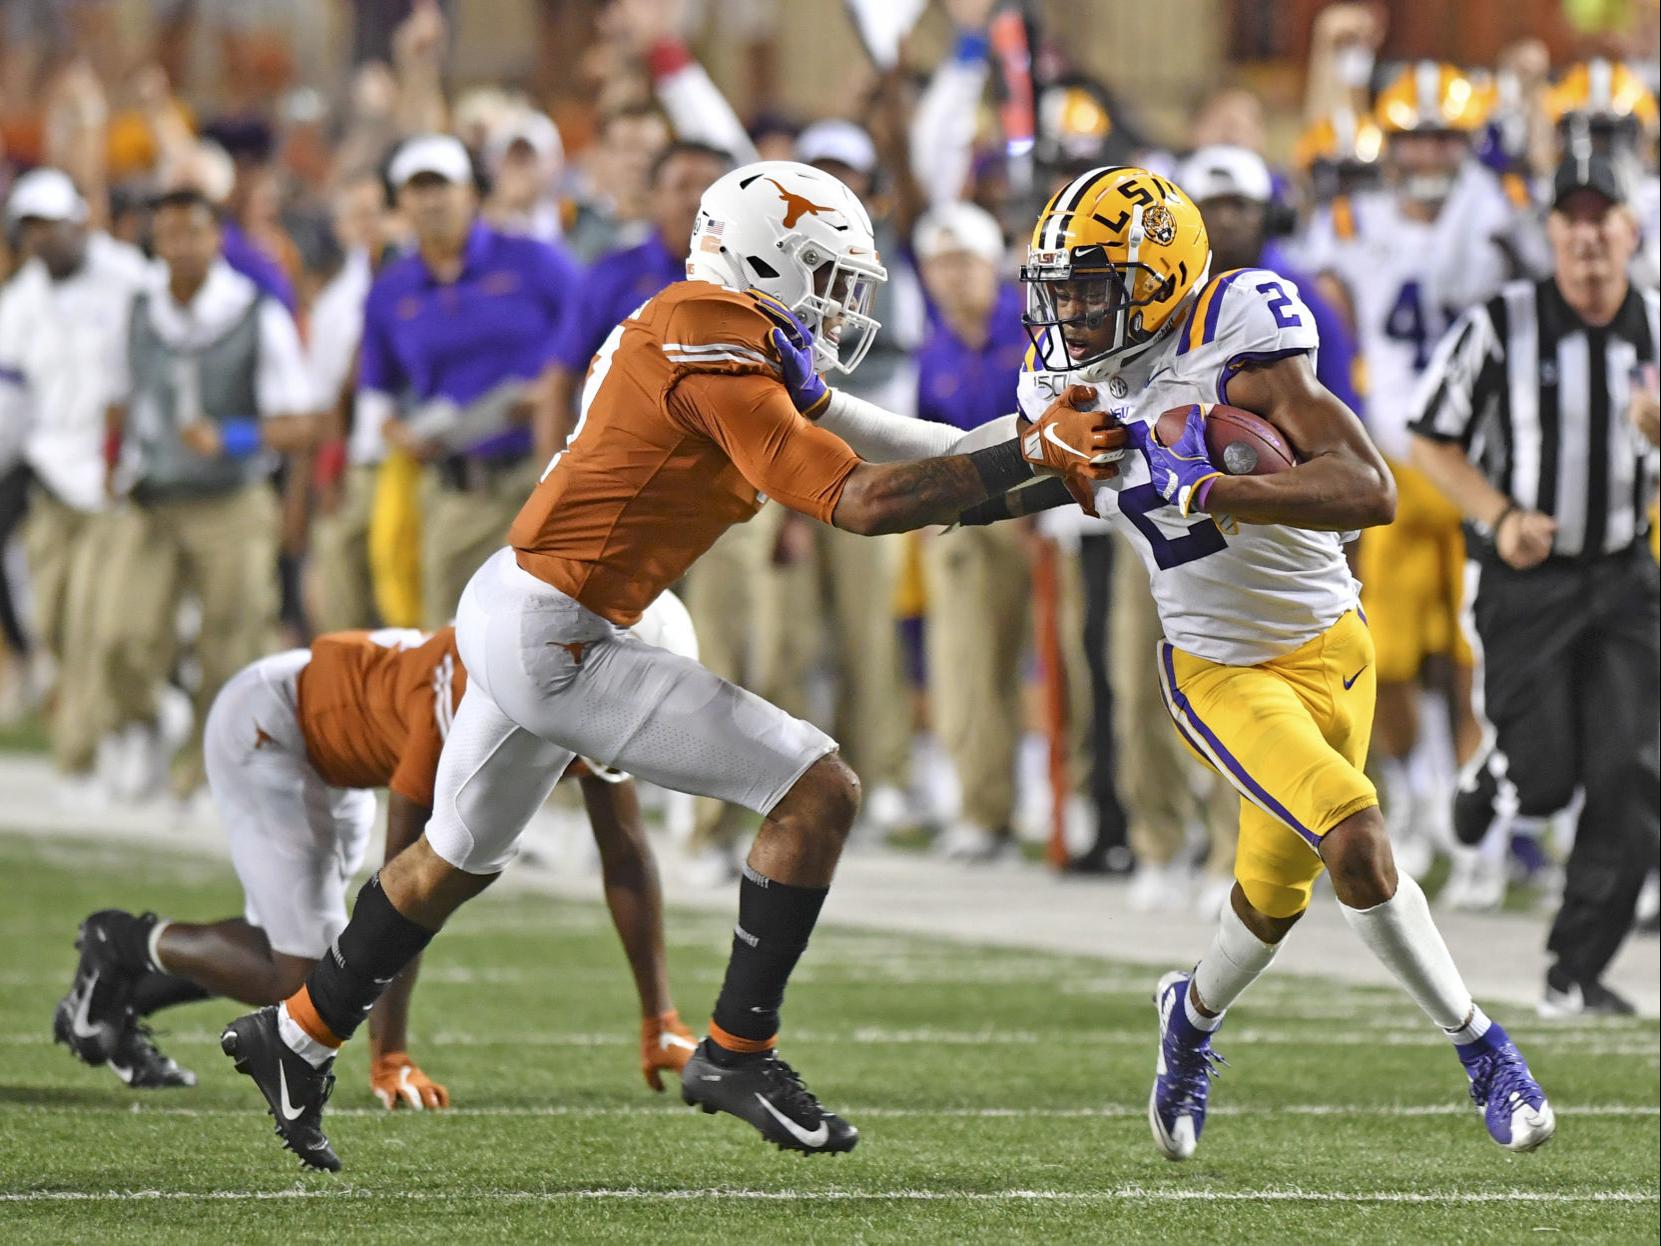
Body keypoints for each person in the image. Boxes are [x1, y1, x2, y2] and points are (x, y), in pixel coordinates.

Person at [216, 159, 1118, 1170]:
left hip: (527, 603)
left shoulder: (720, 325)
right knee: (817, 790)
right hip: (562, 633)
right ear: (762, 258)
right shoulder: (712, 340)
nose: (835, 302)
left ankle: (291, 1033)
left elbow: (915, 446)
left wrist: (1057, 463)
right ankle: (737, 1050)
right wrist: (1036, 454)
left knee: (450, 861)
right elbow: (867, 500)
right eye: (821, 275)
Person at [961, 166, 1554, 1157]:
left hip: (1337, 642)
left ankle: (1186, 1021)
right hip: (1220, 668)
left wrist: (1217, 494)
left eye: (1086, 285)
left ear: (1154, 277)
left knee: (1271, 896)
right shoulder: (1064, 390)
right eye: (1056, 289)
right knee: (1355, 838)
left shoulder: (1236, 329)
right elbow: (986, 471)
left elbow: (1369, 489)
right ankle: (1483, 1052)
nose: (1064, 311)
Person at [53, 603, 698, 1108]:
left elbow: (626, 855)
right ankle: (123, 941)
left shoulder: (554, 678)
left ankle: (112, 996)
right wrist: (389, 1057)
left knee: (311, 960)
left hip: (340, 753)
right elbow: (402, 893)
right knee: (313, 978)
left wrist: (660, 1017)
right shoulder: (471, 703)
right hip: (276, 729)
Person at [1409, 153, 1660, 1018]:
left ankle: (1574, 969)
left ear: (1631, 231)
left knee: (1630, 770)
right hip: (1527, 580)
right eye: (1572, 221)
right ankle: (1499, 777)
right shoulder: (1501, 323)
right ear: (1551, 234)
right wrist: (1500, 512)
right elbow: (1429, 439)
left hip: (1625, 575)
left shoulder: (1657, 328)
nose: (1589, 237)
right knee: (1549, 781)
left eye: (1604, 220)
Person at [1296, 63, 1525, 890]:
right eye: (1413, 137)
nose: (1428, 153)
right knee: (1383, 657)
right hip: (1387, 460)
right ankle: (1422, 796)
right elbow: (1324, 318)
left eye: (1444, 136)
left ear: (1470, 144)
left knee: (1474, 658)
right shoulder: (1349, 220)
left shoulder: (1501, 213)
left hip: (1476, 464)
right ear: (1386, 146)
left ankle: (1478, 827)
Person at [98, 188, 316, 798]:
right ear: (156, 240)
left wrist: (235, 435)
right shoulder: (139, 308)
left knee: (232, 640)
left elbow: (302, 422)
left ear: (217, 237)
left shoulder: (253, 311)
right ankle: (144, 723)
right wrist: (110, 460)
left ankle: (206, 769)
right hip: (154, 496)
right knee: (120, 631)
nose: (181, 247)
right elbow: (117, 394)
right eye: (169, 234)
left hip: (232, 501)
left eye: (194, 233)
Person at [358, 134, 578, 631]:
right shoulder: (390, 289)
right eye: (418, 189)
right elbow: (377, 392)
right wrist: (402, 436)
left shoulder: (534, 260)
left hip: (544, 474)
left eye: (444, 187)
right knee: (456, 634)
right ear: (401, 203)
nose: (433, 201)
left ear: (472, 193)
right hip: (461, 484)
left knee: (560, 630)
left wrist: (553, 391)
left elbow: (609, 338)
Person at [0, 169, 151, 778]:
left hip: (121, 479)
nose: (41, 240)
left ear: (79, 221)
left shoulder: (134, 280)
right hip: (52, 477)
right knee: (53, 620)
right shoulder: (18, 301)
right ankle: (119, 725)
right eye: (30, 229)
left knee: (104, 619)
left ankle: (100, 743)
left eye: (50, 226)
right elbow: (11, 399)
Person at [912, 201, 1031, 860]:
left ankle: (1099, 808)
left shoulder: (1037, 325)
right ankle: (985, 808)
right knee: (966, 663)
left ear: (993, 265)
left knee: (1079, 656)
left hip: (1054, 510)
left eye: (963, 261)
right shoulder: (935, 349)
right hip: (970, 509)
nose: (951, 276)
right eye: (939, 263)